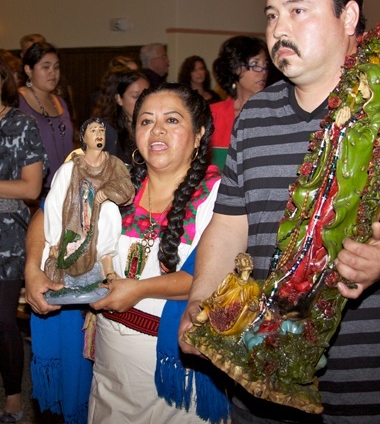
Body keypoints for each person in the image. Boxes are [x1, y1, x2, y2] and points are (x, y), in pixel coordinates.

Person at [179, 0, 380, 424]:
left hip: (373, 389)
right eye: (272, 15)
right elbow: (230, 224)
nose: (279, 29)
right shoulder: (255, 114)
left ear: (348, 16)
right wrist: (201, 300)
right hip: (257, 376)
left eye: (298, 11)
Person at [26, 83, 230, 424]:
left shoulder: (220, 197)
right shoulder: (117, 183)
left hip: (177, 375)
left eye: (173, 120)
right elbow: (47, 211)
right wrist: (33, 268)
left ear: (199, 135)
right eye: (146, 121)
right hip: (110, 368)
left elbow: (211, 279)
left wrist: (140, 289)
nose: (157, 130)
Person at [0, 55, 47, 423]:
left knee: (3, 320)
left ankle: (14, 396)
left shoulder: (20, 125)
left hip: (7, 237)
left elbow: (31, 188)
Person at [43, 118, 135, 304]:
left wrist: (106, 193)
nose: (99, 134)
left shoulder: (114, 164)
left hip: (100, 223)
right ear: (83, 137)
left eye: (101, 130)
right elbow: (53, 203)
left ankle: (107, 267)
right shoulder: (70, 169)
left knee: (109, 209)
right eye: (93, 130)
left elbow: (127, 189)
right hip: (76, 223)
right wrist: (53, 239)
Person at [19, 42, 75, 196]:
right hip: (35, 191)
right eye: (46, 67)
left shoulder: (60, 101)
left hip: (66, 186)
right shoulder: (18, 102)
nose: (53, 73)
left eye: (56, 67)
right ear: (28, 70)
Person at [210, 36, 269, 169]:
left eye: (265, 65)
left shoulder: (274, 113)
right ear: (235, 68)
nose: (263, 72)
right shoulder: (213, 114)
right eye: (255, 65)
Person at [92, 67, 150, 163]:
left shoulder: (156, 128)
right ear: (119, 99)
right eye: (136, 96)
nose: (142, 101)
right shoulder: (107, 132)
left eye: (147, 95)